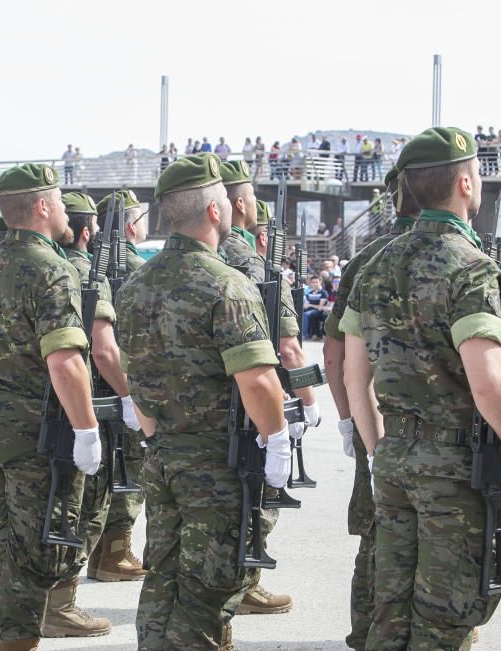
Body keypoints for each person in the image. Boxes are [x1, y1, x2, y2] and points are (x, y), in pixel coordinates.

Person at [341, 127, 501, 649]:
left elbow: (353, 375)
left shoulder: (376, 264)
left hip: (396, 457)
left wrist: (379, 443)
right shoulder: (469, 267)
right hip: (453, 466)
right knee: (445, 616)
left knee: (391, 608)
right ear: (465, 184)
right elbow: (488, 380)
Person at [115, 154, 291, 649]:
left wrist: (158, 436)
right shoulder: (227, 284)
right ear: (216, 211)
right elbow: (257, 380)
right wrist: (277, 443)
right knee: (209, 587)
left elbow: (135, 371)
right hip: (216, 460)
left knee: (165, 576)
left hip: (164, 453)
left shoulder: (135, 285)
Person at [0, 163, 103, 651]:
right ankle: (19, 640)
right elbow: (65, 362)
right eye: (60, 199)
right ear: (41, 206)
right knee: (34, 543)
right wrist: (87, 430)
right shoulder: (53, 269)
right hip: (36, 428)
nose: (64, 208)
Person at [321, 164, 419, 649]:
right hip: (440, 428)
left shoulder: (365, 260)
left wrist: (346, 417)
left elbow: (334, 352)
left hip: (373, 416)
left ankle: (366, 630)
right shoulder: (465, 253)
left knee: (376, 529)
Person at [217, 158, 317, 615]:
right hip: (252, 401)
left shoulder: (200, 254)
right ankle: (245, 583)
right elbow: (287, 345)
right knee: (254, 494)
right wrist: (306, 401)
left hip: (203, 404)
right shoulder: (248, 262)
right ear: (240, 203)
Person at [50, 191, 140, 637]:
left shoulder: (43, 266)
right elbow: (104, 351)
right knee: (85, 505)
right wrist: (130, 397)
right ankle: (59, 602)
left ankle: (41, 599)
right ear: (89, 233)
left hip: (40, 404)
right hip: (88, 403)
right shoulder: (86, 272)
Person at [302, 275, 330, 339]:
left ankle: (304, 335)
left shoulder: (323, 293)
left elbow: (320, 307)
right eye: (313, 282)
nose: (315, 284)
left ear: (320, 282)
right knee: (302, 312)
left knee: (306, 314)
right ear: (310, 283)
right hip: (311, 311)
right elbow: (306, 305)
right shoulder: (309, 293)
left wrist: (310, 305)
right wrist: (307, 305)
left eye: (316, 282)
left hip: (321, 312)